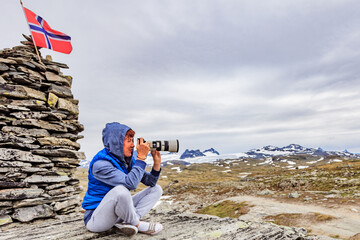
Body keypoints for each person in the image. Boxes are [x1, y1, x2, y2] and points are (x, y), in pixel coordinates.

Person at [82, 122, 163, 236]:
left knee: (156, 189)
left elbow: (151, 182)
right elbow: (131, 184)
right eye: (129, 141)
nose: (133, 145)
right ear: (117, 143)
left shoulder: (126, 161)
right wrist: (141, 157)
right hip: (96, 219)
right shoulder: (100, 165)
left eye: (132, 141)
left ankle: (128, 222)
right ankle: (137, 224)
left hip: (117, 214)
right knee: (121, 190)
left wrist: (157, 163)